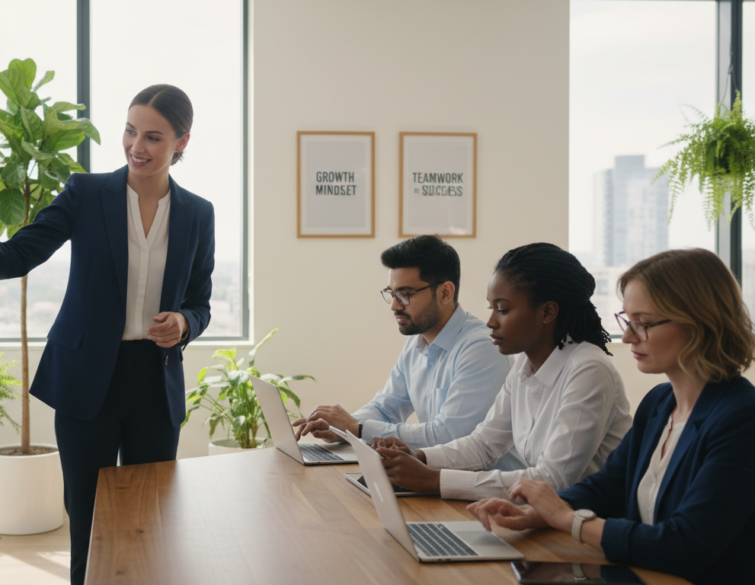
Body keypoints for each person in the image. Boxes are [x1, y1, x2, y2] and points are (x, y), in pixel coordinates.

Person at [0, 84, 215, 585]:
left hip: (155, 382)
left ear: (182, 142)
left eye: (153, 136)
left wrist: (186, 322)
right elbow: (16, 257)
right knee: (87, 523)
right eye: (130, 131)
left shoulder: (198, 213)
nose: (136, 146)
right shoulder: (86, 194)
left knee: (149, 523)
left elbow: (200, 301)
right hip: (87, 382)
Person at [466, 249, 755, 585]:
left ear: (699, 322)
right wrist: (537, 513)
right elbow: (607, 487)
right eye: (627, 321)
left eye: (643, 324)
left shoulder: (741, 418)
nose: (629, 337)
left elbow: (685, 545)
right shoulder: (659, 404)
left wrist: (567, 519)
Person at [374, 243, 632, 501]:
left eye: (503, 309)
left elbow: (553, 480)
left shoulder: (588, 370)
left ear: (547, 311)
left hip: (585, 526)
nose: (491, 322)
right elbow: (484, 444)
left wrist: (433, 479)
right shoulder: (523, 366)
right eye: (491, 308)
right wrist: (418, 457)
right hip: (544, 517)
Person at [292, 236, 524, 471]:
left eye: (405, 294)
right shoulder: (418, 341)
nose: (394, 305)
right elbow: (386, 408)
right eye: (391, 293)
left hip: (487, 493)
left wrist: (357, 428)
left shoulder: (481, 347)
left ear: (445, 292)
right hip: (439, 484)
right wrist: (342, 428)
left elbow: (449, 436)